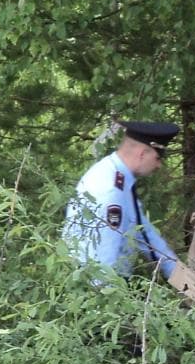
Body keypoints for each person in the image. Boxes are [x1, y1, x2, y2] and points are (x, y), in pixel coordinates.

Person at [62, 119, 180, 281]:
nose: (159, 165)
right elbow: (103, 263)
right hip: (95, 289)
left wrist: (179, 275)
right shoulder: (111, 192)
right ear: (142, 154)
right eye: (158, 157)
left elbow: (144, 232)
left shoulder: (118, 177)